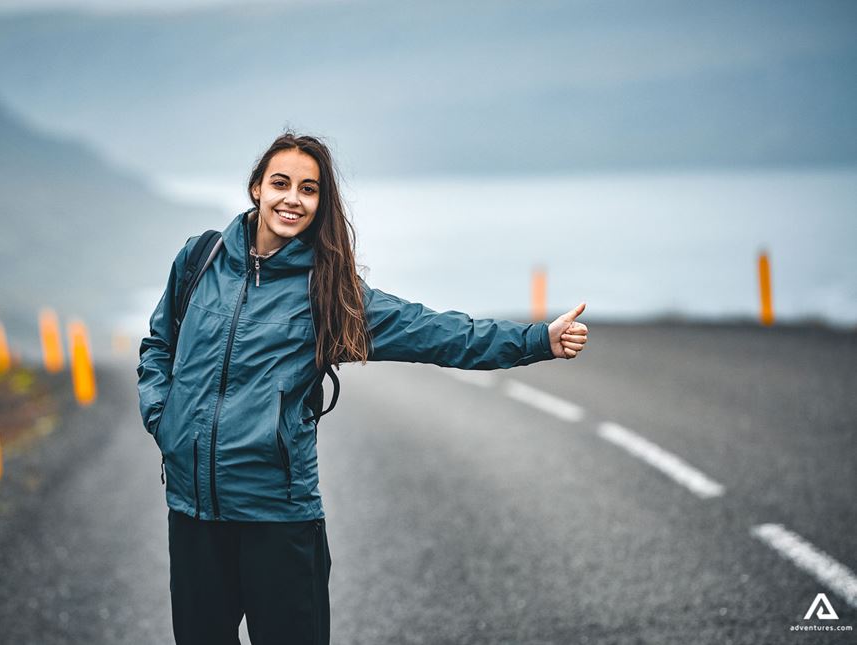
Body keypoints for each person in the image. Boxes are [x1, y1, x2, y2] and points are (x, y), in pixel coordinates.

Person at [137, 131, 588, 645]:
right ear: (257, 187)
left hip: (277, 518)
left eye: (309, 190)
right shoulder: (200, 260)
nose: (293, 198)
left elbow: (434, 332)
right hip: (194, 515)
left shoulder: (328, 291)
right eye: (281, 183)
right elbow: (159, 344)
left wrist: (537, 339)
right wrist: (162, 419)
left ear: (320, 203)